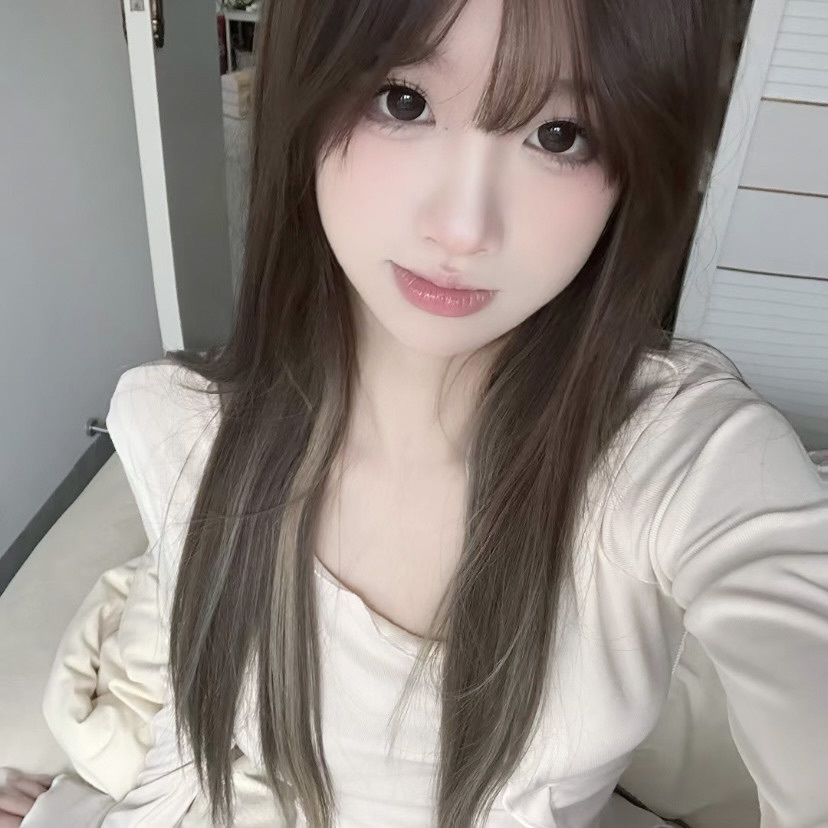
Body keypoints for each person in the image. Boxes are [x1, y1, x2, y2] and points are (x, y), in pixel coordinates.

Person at [4, 0, 828, 825]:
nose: (462, 229)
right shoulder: (187, 433)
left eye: (559, 135)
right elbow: (194, 745)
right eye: (403, 101)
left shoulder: (676, 459)